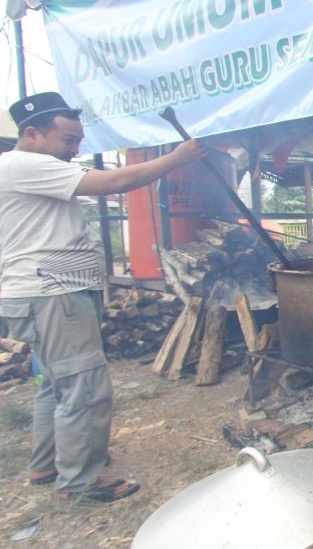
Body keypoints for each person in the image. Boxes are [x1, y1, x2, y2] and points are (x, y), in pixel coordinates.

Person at [0, 91, 206, 502]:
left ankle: (47, 463)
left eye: (78, 141)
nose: (75, 149)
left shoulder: (21, 168)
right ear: (32, 133)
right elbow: (115, 181)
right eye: (67, 140)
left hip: (43, 293)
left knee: (57, 383)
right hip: (54, 294)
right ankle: (78, 484)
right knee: (85, 387)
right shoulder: (26, 165)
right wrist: (177, 158)